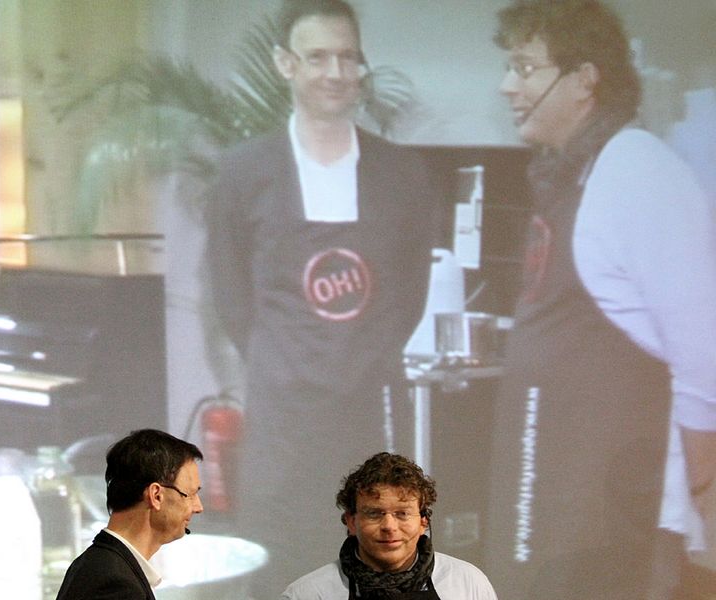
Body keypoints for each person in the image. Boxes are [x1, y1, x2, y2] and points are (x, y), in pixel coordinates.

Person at [205, 0, 439, 595]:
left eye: (347, 57)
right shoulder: (243, 172)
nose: (335, 72)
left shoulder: (402, 174)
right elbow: (232, 297)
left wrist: (360, 357)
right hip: (280, 421)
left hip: (370, 411)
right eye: (317, 58)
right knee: (280, 571)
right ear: (285, 64)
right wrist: (285, 360)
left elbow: (410, 292)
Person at [483, 1, 716, 599]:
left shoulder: (639, 169)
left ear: (584, 78)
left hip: (611, 517)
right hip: (552, 496)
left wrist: (702, 489)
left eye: (525, 68)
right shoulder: (570, 174)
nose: (508, 86)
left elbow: (703, 355)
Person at [281, 452, 498, 599]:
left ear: (423, 522)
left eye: (402, 514)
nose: (389, 526)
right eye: (374, 514)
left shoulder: (468, 584)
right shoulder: (308, 594)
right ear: (352, 522)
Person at [55, 429, 204, 599]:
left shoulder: (97, 564)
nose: (198, 507)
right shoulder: (117, 585)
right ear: (156, 495)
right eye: (190, 494)